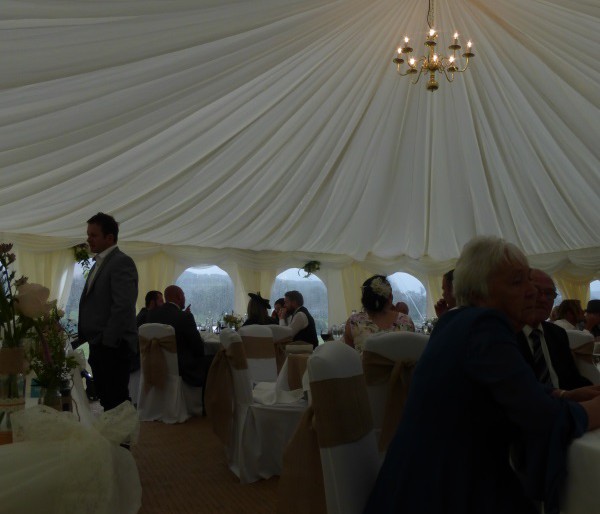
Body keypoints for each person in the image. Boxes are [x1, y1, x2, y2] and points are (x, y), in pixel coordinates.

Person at [364, 236, 600, 514]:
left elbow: (504, 392)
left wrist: (563, 394)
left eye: (529, 280)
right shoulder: (485, 326)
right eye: (517, 282)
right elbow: (543, 419)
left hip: (412, 486)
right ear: (479, 294)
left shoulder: (453, 322)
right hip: (446, 493)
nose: (533, 292)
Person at [78, 212, 138, 411]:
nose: (88, 239)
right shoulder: (100, 262)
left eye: (93, 235)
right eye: (88, 234)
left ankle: (123, 433)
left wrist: (107, 341)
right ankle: (113, 432)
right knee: (106, 399)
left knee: (116, 401)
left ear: (110, 238)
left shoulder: (121, 262)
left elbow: (123, 306)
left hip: (113, 346)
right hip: (100, 344)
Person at [515, 270, 591, 390]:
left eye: (549, 293)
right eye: (536, 291)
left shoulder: (557, 333)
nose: (543, 299)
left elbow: (573, 379)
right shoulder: (504, 334)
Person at [146, 285, 204, 387]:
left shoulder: (151, 315)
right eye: (184, 295)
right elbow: (199, 349)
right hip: (183, 372)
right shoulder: (185, 317)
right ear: (179, 297)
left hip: (155, 368)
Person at [343, 275, 415, 352]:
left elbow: (350, 356)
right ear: (390, 297)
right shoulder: (406, 321)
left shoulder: (354, 323)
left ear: (364, 299)